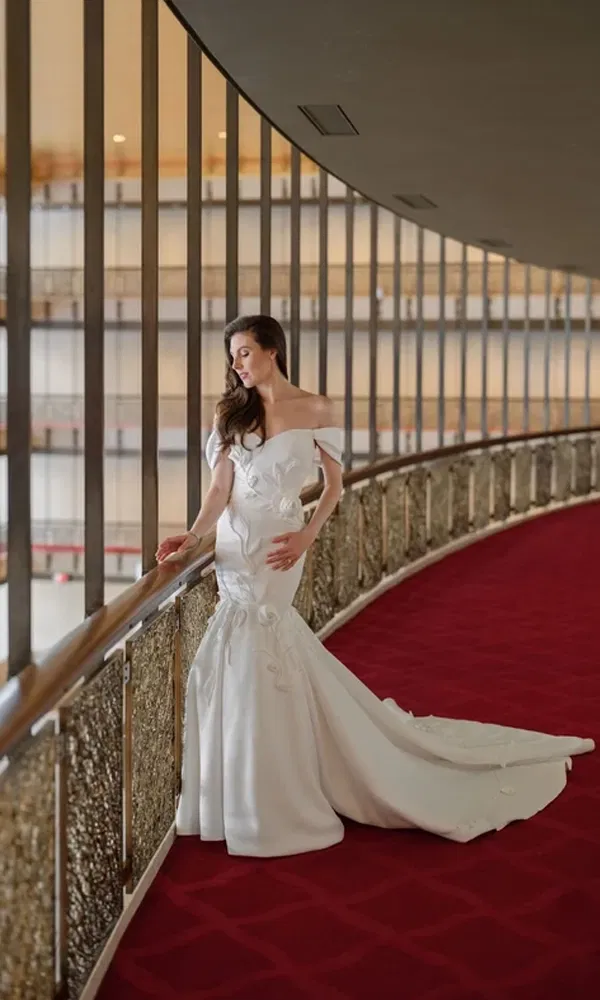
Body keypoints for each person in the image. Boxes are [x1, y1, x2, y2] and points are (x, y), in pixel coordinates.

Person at [157, 315, 594, 858]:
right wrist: (193, 536)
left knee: (262, 649)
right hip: (233, 548)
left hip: (281, 548)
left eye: (244, 352)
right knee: (237, 652)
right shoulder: (231, 413)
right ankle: (241, 791)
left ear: (272, 351)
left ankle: (272, 795)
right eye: (232, 356)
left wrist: (307, 537)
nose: (236, 364)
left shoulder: (316, 409)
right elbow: (219, 490)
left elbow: (334, 487)